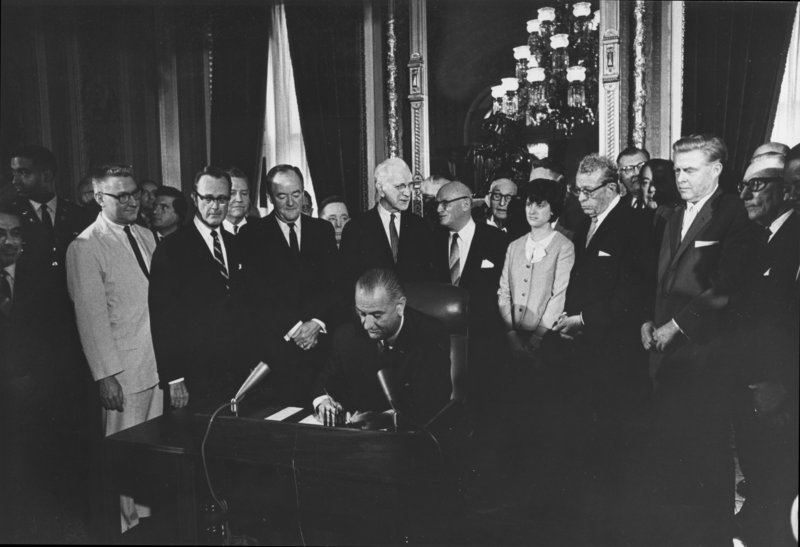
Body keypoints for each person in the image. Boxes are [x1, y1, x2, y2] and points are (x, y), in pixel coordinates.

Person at [638, 134, 757, 546]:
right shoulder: (671, 216)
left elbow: (726, 289)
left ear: (716, 169)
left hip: (703, 357)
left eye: (690, 170)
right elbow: (661, 280)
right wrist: (647, 322)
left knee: (706, 455)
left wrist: (676, 327)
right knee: (669, 455)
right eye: (677, 170)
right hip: (664, 356)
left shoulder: (733, 214)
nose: (681, 178)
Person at [66, 163, 162, 533]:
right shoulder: (86, 246)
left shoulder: (146, 234)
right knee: (124, 457)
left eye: (134, 192)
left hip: (155, 364)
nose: (131, 200)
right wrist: (106, 376)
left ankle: (151, 524)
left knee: (152, 455)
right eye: (120, 195)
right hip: (122, 371)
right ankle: (129, 529)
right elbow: (90, 320)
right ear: (98, 198)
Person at [732, 154, 799, 547]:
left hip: (780, 389)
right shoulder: (768, 237)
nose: (746, 195)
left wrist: (784, 385)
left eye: (757, 185)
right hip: (760, 384)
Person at [238, 164, 341, 406]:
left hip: (321, 348)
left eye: (296, 194)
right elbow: (256, 296)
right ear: (270, 197)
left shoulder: (322, 230)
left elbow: (335, 285)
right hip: (278, 352)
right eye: (282, 196)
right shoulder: (252, 234)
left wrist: (317, 323)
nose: (291, 203)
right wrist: (296, 329)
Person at [149, 166, 245, 411]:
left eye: (222, 198)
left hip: (237, 372)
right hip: (193, 377)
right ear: (194, 198)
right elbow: (163, 319)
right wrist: (175, 378)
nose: (215, 206)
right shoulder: (171, 249)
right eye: (208, 198)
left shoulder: (237, 245)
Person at [313, 268, 452, 429]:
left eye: (377, 315)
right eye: (362, 313)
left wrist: (387, 419)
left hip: (410, 439)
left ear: (400, 306)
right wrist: (323, 402)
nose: (367, 325)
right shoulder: (347, 335)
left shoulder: (430, 334)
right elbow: (323, 382)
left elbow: (433, 403)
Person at [432, 181, 508, 402]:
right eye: (437, 204)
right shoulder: (431, 240)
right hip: (442, 346)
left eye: (445, 204)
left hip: (484, 346)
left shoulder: (497, 241)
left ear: (465, 204)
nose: (439, 209)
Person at [498, 179, 574, 364]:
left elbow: (559, 295)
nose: (532, 210)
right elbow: (504, 291)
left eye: (540, 205)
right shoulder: (514, 246)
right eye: (529, 204)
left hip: (547, 339)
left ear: (553, 209)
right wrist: (510, 334)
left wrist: (538, 337)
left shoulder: (564, 246)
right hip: (512, 338)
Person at [340, 157, 434, 286]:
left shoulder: (421, 226)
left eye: (409, 186)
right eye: (399, 186)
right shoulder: (356, 229)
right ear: (380, 189)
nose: (407, 193)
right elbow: (348, 281)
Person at [8, 144, 93, 272]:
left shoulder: (77, 215)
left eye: (23, 172)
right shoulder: (10, 215)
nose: (15, 180)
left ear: (46, 175)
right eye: (14, 173)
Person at [640, 158, 681, 247]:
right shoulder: (636, 221)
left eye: (658, 182)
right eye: (645, 182)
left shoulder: (680, 221)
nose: (651, 189)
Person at [223, 167, 255, 235]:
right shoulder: (209, 231)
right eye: (232, 193)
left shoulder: (263, 230)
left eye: (244, 193)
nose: (239, 199)